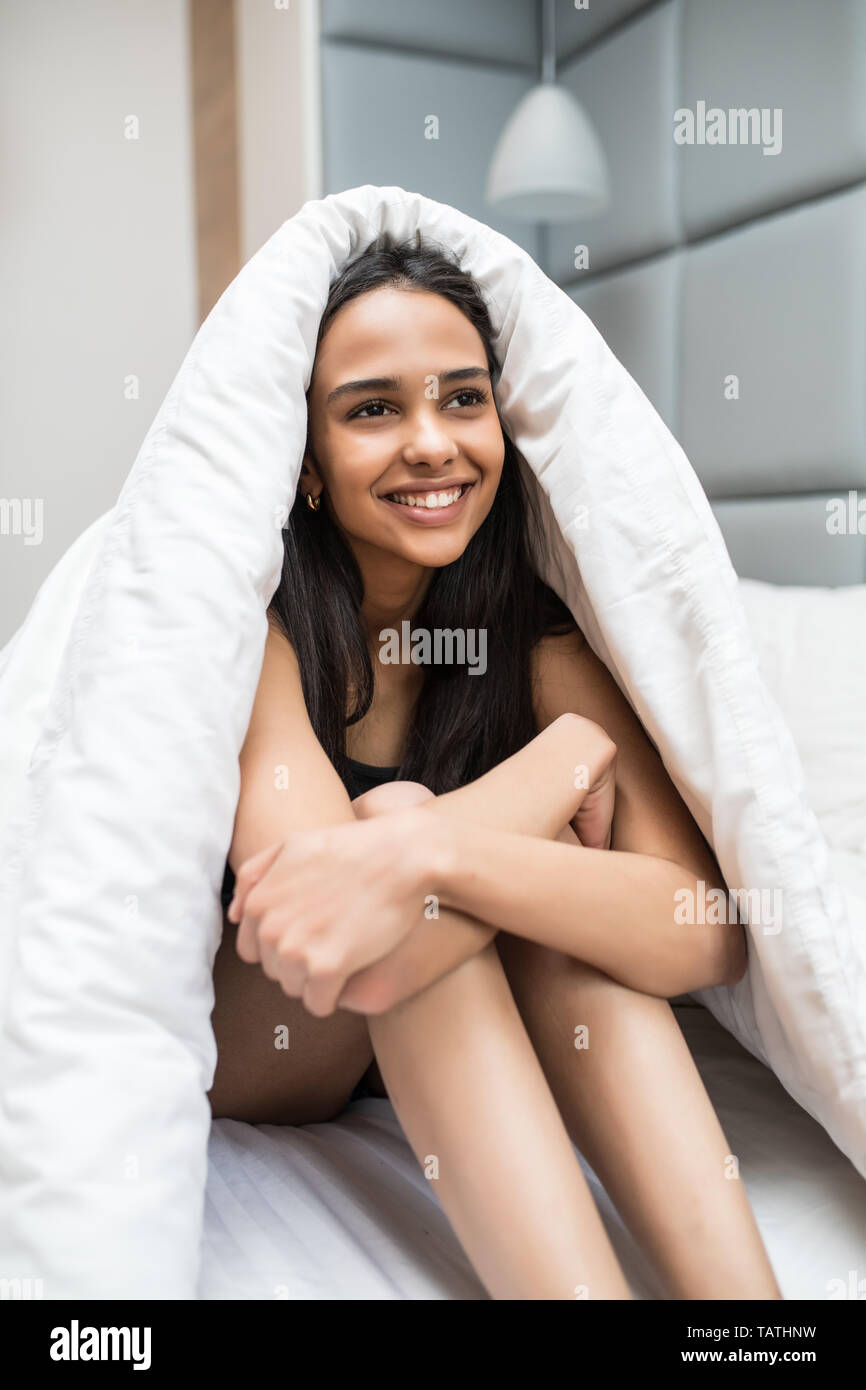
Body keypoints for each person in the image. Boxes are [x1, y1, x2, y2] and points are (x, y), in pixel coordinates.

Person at [207, 233, 782, 1302]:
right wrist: (540, 776)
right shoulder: (265, 639)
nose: (433, 444)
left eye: (461, 400)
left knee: (541, 925)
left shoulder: (540, 640)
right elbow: (330, 932)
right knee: (412, 855)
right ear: (307, 464)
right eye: (373, 410)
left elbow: (701, 927)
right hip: (269, 1041)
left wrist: (442, 854)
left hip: (422, 982)